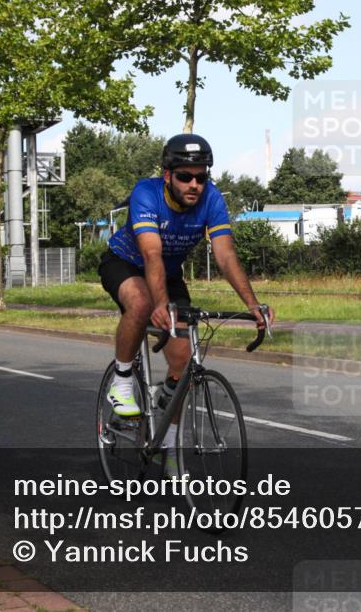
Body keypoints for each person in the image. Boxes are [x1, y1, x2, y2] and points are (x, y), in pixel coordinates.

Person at [98, 133, 274, 439]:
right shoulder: (146, 193)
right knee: (140, 305)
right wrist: (159, 304)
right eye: (184, 177)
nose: (194, 184)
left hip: (167, 272)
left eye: (201, 177)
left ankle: (168, 451)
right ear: (168, 176)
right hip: (125, 262)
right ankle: (122, 381)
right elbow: (150, 253)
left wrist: (253, 305)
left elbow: (226, 255)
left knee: (183, 364)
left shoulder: (212, 199)